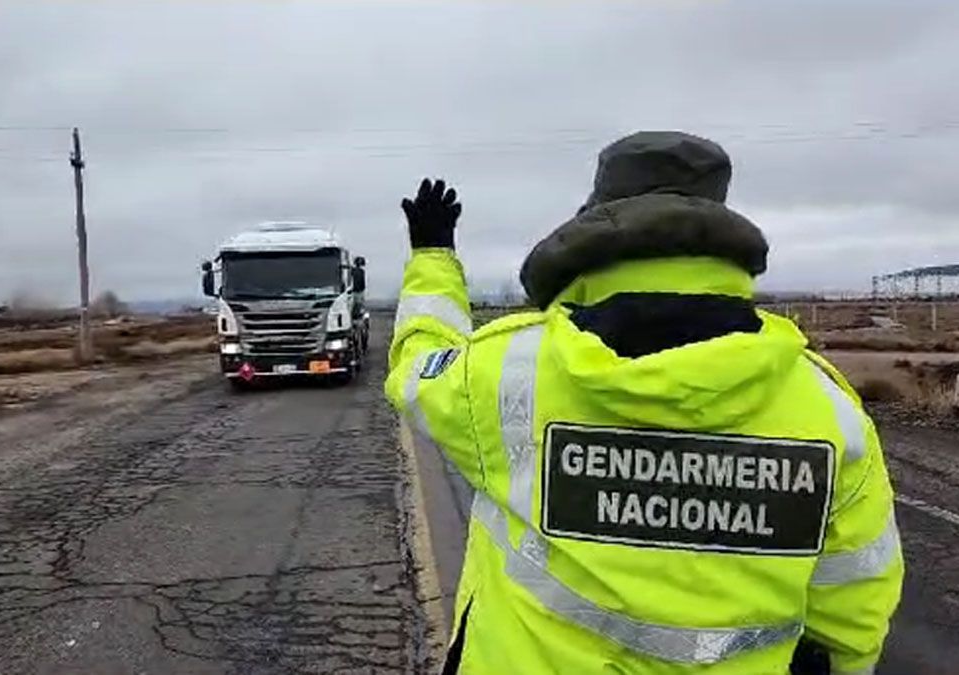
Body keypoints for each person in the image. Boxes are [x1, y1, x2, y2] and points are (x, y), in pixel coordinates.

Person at [385, 131, 903, 675]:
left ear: (596, 218)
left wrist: (433, 257)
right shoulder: (826, 406)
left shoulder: (508, 371)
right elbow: (854, 595)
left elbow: (418, 369)